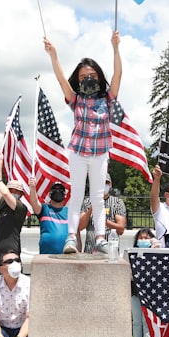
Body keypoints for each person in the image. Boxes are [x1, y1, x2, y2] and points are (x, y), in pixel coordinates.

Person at [45, 31, 122, 254]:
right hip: (78, 151)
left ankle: (100, 238)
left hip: (100, 153)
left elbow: (118, 74)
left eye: (91, 75)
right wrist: (53, 55)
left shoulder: (107, 99)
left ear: (98, 76)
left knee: (98, 198)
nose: (87, 79)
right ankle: (71, 237)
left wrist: (115, 48)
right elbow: (60, 79)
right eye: (82, 77)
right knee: (77, 195)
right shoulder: (76, 100)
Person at [0, 158, 28, 280]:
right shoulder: (2, 204)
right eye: (11, 190)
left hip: (11, 254)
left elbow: (4, 192)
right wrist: (0, 161)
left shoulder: (21, 208)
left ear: (21, 195)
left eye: (17, 191)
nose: (13, 192)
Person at [79, 173, 126, 254]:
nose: (103, 185)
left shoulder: (117, 202)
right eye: (100, 182)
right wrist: (91, 209)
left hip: (110, 252)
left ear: (110, 184)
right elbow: (80, 226)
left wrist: (102, 220)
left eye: (106, 182)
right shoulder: (87, 202)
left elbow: (121, 229)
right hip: (90, 252)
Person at [130, 228, 157, 337]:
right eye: (141, 238)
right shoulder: (131, 253)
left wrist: (155, 245)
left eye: (146, 238)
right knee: (137, 319)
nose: (143, 240)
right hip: (135, 291)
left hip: (149, 291)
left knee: (147, 320)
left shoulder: (155, 253)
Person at [28, 178, 70, 255]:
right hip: (46, 256)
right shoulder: (44, 209)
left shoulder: (70, 212)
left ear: (65, 195)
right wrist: (32, 188)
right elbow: (34, 202)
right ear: (50, 194)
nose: (57, 191)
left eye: (60, 189)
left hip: (66, 257)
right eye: (55, 189)